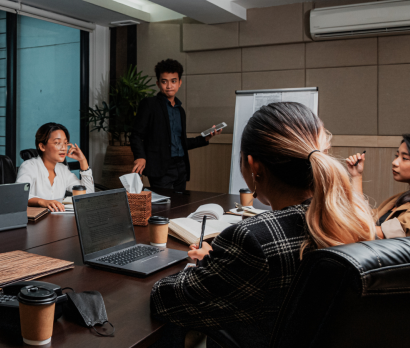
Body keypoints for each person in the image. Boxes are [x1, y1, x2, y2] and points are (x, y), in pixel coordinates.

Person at [150, 102, 375, 348]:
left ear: (254, 166)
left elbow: (165, 300)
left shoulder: (253, 240)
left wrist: (207, 265)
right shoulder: (355, 221)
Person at [130, 58, 222, 193]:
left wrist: (205, 138)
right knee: (163, 208)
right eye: (164, 81)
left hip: (181, 167)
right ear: (158, 83)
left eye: (173, 81)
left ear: (179, 83)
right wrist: (140, 156)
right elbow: (136, 135)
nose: (169, 86)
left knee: (180, 207)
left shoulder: (180, 111)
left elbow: (180, 142)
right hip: (160, 168)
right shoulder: (149, 104)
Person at [16, 122, 94, 212]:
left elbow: (88, 194)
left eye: (65, 143)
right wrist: (43, 202)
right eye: (57, 143)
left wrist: (83, 161)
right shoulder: (29, 166)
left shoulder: (63, 170)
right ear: (42, 146)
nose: (64, 148)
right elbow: (19, 195)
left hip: (57, 220)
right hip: (34, 222)